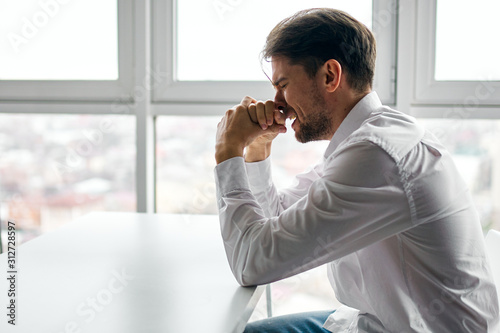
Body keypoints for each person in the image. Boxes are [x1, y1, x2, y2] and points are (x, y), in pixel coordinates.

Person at [214, 8, 499, 333]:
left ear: (330, 76)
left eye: (283, 85)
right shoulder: (369, 138)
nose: (279, 102)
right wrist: (257, 151)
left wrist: (227, 150)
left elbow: (252, 263)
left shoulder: (378, 156)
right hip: (370, 320)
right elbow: (278, 217)